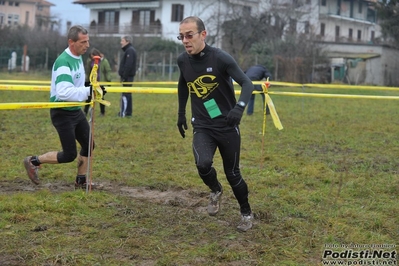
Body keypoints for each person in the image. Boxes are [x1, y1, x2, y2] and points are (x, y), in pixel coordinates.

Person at [176, 16, 255, 232]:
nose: (185, 40)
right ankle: (215, 189)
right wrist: (181, 113)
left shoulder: (220, 58)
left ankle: (246, 213)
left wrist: (238, 108)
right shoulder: (183, 60)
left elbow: (247, 83)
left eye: (189, 35)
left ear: (203, 34)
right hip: (202, 124)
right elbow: (183, 84)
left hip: (227, 124)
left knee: (233, 173)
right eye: (181, 36)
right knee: (203, 164)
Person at [23, 25, 104, 189]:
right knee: (69, 155)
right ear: (71, 42)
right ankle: (33, 161)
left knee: (89, 145)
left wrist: (92, 88)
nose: (87, 45)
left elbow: (76, 85)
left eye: (88, 41)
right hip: (62, 112)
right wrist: (89, 91)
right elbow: (64, 92)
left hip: (75, 110)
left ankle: (81, 181)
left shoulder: (78, 58)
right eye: (83, 42)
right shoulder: (63, 62)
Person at [84, 48, 112, 116]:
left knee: (100, 97)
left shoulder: (104, 61)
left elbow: (107, 71)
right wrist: (86, 81)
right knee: (89, 97)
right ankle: (85, 112)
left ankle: (102, 112)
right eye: (91, 57)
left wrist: (108, 80)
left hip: (100, 81)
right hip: (92, 82)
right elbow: (88, 71)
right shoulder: (89, 61)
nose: (92, 58)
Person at [118, 35, 137, 117]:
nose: (121, 42)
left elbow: (128, 65)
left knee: (125, 95)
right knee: (128, 94)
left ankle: (124, 113)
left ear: (127, 41)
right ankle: (128, 112)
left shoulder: (130, 51)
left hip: (127, 77)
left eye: (122, 40)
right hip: (127, 76)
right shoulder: (129, 50)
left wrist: (124, 76)